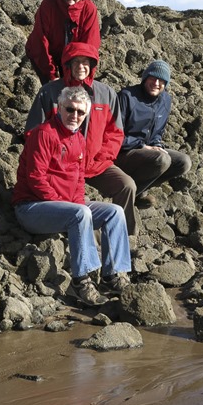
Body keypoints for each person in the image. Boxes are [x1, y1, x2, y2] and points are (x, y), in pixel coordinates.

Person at [13, 85, 131, 306]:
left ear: (86, 114)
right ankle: (81, 281)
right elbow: (36, 178)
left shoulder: (79, 139)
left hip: (66, 206)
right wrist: (71, 208)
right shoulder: (44, 134)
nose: (74, 115)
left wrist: (75, 206)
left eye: (80, 112)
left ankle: (112, 275)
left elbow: (79, 181)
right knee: (80, 213)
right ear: (59, 107)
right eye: (70, 109)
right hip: (31, 207)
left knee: (115, 212)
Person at [25, 41, 141, 237]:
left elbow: (115, 133)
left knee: (127, 185)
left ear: (92, 65)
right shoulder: (49, 92)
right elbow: (33, 131)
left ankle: (126, 237)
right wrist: (58, 159)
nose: (81, 66)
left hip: (96, 164)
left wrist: (100, 158)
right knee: (72, 203)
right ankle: (72, 232)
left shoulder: (106, 94)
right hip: (60, 167)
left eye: (86, 62)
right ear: (67, 65)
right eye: (76, 62)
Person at [115, 60, 192, 208]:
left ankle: (135, 193)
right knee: (162, 159)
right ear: (145, 78)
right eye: (153, 78)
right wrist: (142, 146)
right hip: (124, 151)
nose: (156, 83)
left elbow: (158, 132)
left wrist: (156, 145)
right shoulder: (127, 96)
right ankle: (123, 195)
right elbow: (114, 135)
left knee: (183, 162)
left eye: (161, 80)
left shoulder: (165, 100)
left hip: (147, 151)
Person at [25, 0, 101, 84]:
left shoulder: (89, 9)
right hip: (46, 54)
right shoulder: (48, 5)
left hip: (74, 57)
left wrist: (82, 74)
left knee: (75, 87)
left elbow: (90, 44)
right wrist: (51, 75)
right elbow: (40, 41)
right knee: (51, 89)